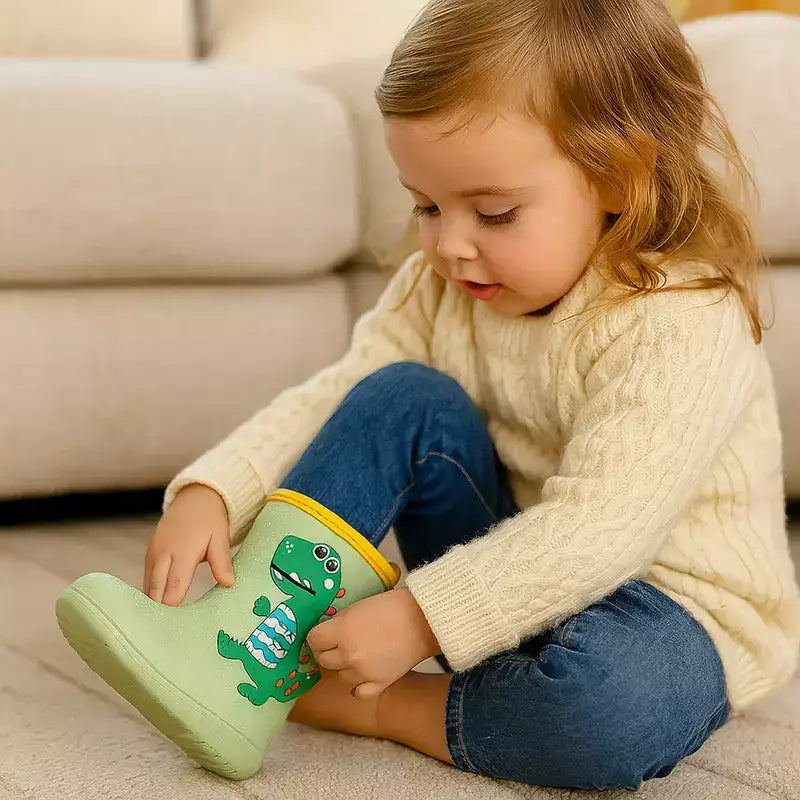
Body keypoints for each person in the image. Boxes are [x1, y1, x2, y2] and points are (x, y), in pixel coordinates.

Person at [144, 0, 800, 789]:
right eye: (426, 205)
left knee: (606, 710)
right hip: (507, 561)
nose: (448, 245)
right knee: (397, 395)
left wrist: (418, 619)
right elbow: (339, 397)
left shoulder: (682, 318)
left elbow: (602, 531)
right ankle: (251, 643)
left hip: (672, 608)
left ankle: (385, 706)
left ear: (617, 177)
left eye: (493, 212)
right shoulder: (439, 286)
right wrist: (216, 488)